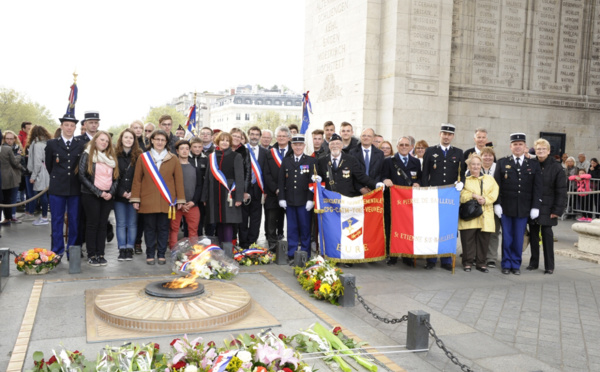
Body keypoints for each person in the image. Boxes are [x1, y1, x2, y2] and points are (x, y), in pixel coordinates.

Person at [131, 129, 185, 265]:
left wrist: (180, 199)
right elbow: (137, 180)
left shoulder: (173, 158)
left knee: (163, 228)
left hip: (167, 200)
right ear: (152, 140)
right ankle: (150, 254)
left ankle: (161, 254)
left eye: (163, 140)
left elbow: (178, 180)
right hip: (148, 199)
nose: (160, 142)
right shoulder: (143, 157)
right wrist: (136, 198)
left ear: (166, 142)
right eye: (157, 139)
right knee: (149, 228)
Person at [494, 133, 543, 275]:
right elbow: (497, 185)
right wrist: (497, 203)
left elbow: (537, 187)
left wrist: (535, 206)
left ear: (525, 146)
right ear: (510, 146)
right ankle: (506, 263)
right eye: (515, 144)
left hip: (523, 208)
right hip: (506, 208)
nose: (518, 147)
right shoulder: (502, 163)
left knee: (518, 238)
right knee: (507, 238)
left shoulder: (533, 164)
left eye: (520, 144)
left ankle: (516, 264)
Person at [421, 124, 465, 271]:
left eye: (449, 134)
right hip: (433, 195)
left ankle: (446, 259)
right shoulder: (430, 151)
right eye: (444, 134)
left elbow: (462, 174)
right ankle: (431, 259)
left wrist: (461, 184)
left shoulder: (458, 153)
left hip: (450, 197)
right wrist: (426, 190)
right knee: (432, 227)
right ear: (440, 134)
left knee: (448, 228)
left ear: (453, 136)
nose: (446, 136)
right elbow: (425, 173)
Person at [45, 113, 85, 259]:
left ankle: (72, 251)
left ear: (76, 127)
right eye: (66, 125)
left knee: (74, 220)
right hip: (57, 187)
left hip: (75, 187)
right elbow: (49, 165)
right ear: (61, 126)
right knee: (56, 220)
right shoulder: (52, 144)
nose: (69, 128)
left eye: (72, 125)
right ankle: (57, 251)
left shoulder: (80, 145)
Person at [78, 131, 119, 266]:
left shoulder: (111, 157)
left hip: (107, 196)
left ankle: (101, 254)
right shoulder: (87, 154)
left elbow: (116, 178)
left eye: (106, 141)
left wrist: (110, 193)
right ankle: (91, 254)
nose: (104, 143)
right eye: (101, 140)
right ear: (95, 140)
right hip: (91, 195)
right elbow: (82, 176)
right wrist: (99, 192)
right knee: (92, 224)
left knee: (103, 225)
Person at [526, 139, 567, 274]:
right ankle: (534, 263)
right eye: (538, 149)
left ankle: (549, 266)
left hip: (549, 207)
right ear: (535, 150)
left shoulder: (556, 167)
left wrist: (557, 210)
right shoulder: (531, 164)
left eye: (544, 149)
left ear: (549, 151)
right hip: (534, 206)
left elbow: (561, 190)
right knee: (533, 235)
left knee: (547, 236)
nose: (541, 151)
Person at [382, 136, 422, 266]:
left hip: (409, 203)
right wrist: (385, 180)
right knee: (391, 227)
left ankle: (407, 255)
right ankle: (392, 255)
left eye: (406, 145)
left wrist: (418, 183)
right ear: (397, 146)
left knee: (407, 228)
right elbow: (382, 176)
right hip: (393, 201)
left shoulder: (416, 162)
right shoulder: (389, 161)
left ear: (411, 147)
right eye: (401, 145)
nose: (404, 147)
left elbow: (420, 178)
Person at [278, 134, 316, 263]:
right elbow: (281, 180)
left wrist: (311, 199)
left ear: (304, 146)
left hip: (304, 201)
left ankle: (305, 253)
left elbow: (313, 182)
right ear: (292, 146)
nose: (298, 147)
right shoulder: (286, 160)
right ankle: (291, 254)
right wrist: (281, 198)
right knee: (292, 229)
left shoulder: (310, 161)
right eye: (295, 145)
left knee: (305, 229)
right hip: (290, 200)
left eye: (300, 145)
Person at [201, 132, 244, 245]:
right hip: (213, 193)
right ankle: (220, 249)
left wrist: (239, 198)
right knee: (218, 222)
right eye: (222, 140)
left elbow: (240, 178)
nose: (224, 142)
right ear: (217, 142)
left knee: (228, 222)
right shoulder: (211, 157)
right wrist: (205, 197)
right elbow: (207, 179)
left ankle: (228, 250)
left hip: (229, 193)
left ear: (230, 143)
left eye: (227, 140)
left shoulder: (236, 156)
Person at [459, 154, 499, 273]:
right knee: (468, 240)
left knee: (483, 240)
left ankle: (481, 263)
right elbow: (461, 194)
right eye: (473, 164)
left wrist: (485, 200)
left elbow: (495, 192)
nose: (475, 167)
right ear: (469, 166)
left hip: (485, 214)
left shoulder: (489, 179)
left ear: (481, 165)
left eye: (477, 164)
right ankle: (467, 262)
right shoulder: (463, 179)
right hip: (469, 214)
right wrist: (473, 196)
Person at [317, 133, 381, 197]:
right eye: (332, 144)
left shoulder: (350, 160)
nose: (335, 146)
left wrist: (375, 184)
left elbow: (361, 176)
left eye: (337, 143)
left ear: (342, 146)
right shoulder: (322, 161)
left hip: (347, 199)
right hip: (328, 199)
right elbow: (319, 178)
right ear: (329, 146)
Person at [114, 129, 143, 261]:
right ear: (121, 139)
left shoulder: (139, 155)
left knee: (132, 223)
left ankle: (129, 248)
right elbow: (113, 176)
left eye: (131, 138)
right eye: (126, 137)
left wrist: (133, 193)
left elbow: (141, 177)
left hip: (134, 195)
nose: (128, 140)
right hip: (119, 195)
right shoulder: (114, 154)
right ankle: (122, 249)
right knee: (121, 223)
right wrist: (122, 192)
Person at [263, 126, 293, 251]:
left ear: (288, 138)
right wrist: (275, 188)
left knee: (291, 220)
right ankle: (272, 245)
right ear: (276, 137)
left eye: (284, 136)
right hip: (272, 192)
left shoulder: (294, 150)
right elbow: (266, 173)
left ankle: (291, 245)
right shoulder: (270, 152)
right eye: (279, 136)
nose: (281, 138)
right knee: (271, 220)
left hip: (291, 193)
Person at [169, 140, 203, 248]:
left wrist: (193, 202)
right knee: (173, 229)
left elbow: (199, 186)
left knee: (193, 230)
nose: (185, 151)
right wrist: (179, 202)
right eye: (182, 149)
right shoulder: (173, 167)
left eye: (187, 149)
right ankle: (174, 251)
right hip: (176, 205)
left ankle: (192, 252)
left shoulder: (195, 168)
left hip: (192, 205)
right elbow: (170, 186)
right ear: (177, 151)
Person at [240, 126, 268, 248]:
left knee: (256, 219)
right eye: (252, 134)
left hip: (258, 189)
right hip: (244, 189)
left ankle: (252, 243)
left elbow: (266, 172)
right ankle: (243, 243)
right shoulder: (241, 150)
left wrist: (265, 190)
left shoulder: (265, 152)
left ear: (260, 137)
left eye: (257, 134)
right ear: (248, 135)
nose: (254, 136)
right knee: (243, 218)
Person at [26, 126, 52, 226]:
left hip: (41, 172)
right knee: (46, 195)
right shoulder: (48, 143)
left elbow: (37, 162)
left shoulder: (37, 145)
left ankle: (44, 217)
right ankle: (45, 216)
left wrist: (33, 176)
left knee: (42, 195)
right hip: (48, 171)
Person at [479, 147, 500, 268]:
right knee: (479, 231)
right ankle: (479, 256)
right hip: (479, 205)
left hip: (494, 205)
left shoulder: (498, 168)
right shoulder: (476, 167)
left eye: (490, 155)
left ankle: (491, 257)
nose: (487, 158)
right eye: (485, 155)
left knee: (494, 232)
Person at [0, 130, 23, 224]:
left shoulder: (10, 148)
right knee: (9, 199)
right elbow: (15, 163)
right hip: (8, 177)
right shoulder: (7, 149)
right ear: (4, 139)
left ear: (14, 139)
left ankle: (9, 218)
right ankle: (9, 218)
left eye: (11, 139)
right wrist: (18, 155)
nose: (9, 141)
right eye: (7, 138)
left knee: (8, 199)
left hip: (11, 176)